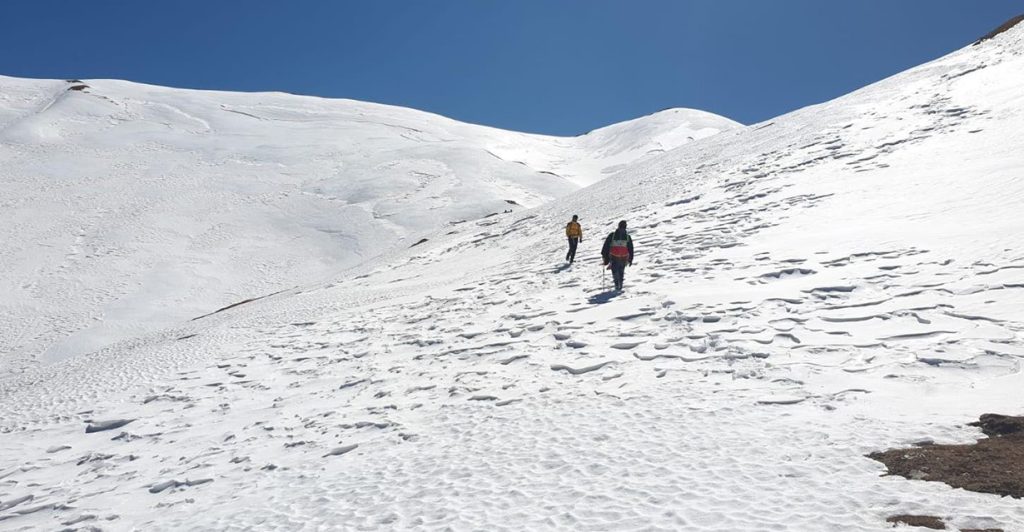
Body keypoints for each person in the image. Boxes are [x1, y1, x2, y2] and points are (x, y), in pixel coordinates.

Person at [601, 220, 634, 291]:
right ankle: (620, 285)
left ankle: (617, 285)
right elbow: (630, 249)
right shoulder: (627, 237)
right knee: (621, 271)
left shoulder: (612, 235)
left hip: (614, 257)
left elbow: (606, 246)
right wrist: (630, 259)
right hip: (623, 257)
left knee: (615, 271)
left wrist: (604, 256)